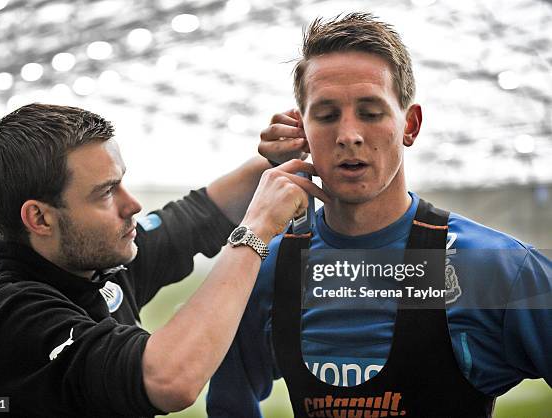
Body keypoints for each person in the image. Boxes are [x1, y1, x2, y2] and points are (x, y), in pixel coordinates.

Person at [207, 12, 552, 418]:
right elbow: (229, 400)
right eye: (326, 114)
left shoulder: (496, 267)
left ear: (410, 124)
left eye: (371, 113)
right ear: (302, 130)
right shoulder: (270, 269)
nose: (348, 134)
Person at [0, 103, 329, 417]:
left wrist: (274, 161)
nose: (132, 204)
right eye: (106, 192)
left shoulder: (89, 262)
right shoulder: (13, 319)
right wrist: (256, 231)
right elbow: (168, 379)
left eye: (121, 181)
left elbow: (199, 214)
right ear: (40, 219)